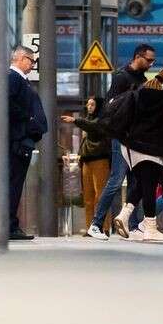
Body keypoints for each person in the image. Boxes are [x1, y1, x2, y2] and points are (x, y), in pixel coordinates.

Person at [86, 44, 156, 240]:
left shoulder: (142, 79)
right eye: (149, 60)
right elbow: (112, 106)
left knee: (136, 181)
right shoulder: (121, 77)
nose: (151, 64)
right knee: (116, 180)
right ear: (138, 56)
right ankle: (96, 224)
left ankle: (133, 225)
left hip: (134, 137)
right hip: (121, 136)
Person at [112, 77, 163, 242]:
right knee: (149, 187)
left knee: (141, 184)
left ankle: (124, 215)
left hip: (131, 149)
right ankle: (150, 227)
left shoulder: (136, 98)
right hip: (151, 149)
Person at [6, 45, 47, 240]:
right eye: (31, 61)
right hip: (17, 140)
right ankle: (9, 226)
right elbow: (7, 103)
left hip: (19, 139)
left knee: (15, 183)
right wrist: (28, 119)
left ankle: (10, 224)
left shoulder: (18, 80)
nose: (32, 65)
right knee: (14, 183)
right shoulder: (14, 78)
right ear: (21, 59)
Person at [61, 97, 110, 234]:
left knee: (100, 196)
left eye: (92, 104)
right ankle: (90, 227)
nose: (89, 107)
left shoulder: (101, 120)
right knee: (88, 197)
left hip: (100, 160)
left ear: (98, 106)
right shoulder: (87, 120)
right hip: (87, 160)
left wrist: (76, 120)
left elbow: (94, 126)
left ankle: (103, 227)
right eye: (88, 104)